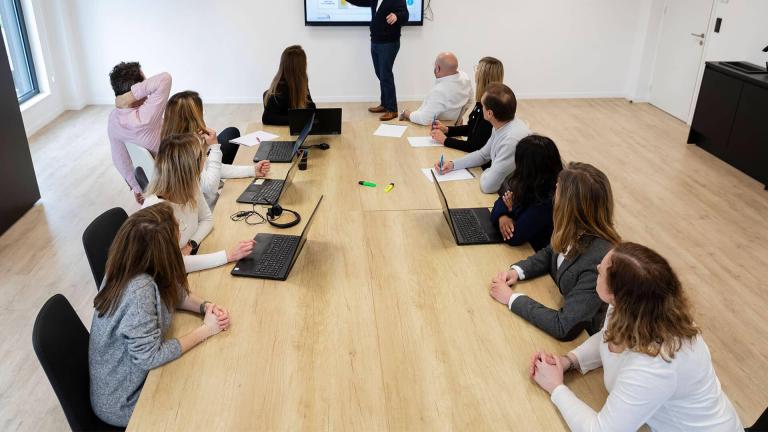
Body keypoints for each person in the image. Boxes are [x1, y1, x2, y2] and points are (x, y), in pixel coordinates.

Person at [530, 242, 743, 431]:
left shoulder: (655, 365)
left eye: (602, 271)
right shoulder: (636, 311)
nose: (596, 268)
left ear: (619, 295)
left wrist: (556, 387)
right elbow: (608, 338)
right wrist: (569, 361)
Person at [89, 203, 231, 427]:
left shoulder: (131, 261)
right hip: (125, 400)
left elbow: (173, 291)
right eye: (178, 232)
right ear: (161, 251)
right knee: (208, 402)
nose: (181, 236)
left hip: (136, 376)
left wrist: (205, 307)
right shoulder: (139, 292)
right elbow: (150, 357)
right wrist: (207, 330)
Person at [489, 162, 621, 341]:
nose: (553, 194)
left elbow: (564, 326)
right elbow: (550, 253)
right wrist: (518, 271)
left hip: (585, 338)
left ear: (569, 205)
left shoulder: (598, 257)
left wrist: (511, 298)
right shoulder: (573, 228)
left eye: (558, 189)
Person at [142, 133, 255, 273]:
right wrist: (228, 255)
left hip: (193, 255)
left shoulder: (189, 184)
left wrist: (191, 244)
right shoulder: (155, 211)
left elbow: (207, 219)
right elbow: (174, 264)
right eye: (203, 156)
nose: (205, 158)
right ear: (190, 168)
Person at [162, 90, 270, 209]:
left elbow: (217, 168)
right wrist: (214, 147)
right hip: (209, 213)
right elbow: (210, 187)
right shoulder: (185, 152)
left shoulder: (177, 145)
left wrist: (252, 170)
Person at [433, 83, 530, 194]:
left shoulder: (510, 141)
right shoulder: (501, 124)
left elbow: (488, 187)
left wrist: (489, 170)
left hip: (517, 196)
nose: (480, 107)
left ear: (489, 113)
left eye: (482, 105)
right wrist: (452, 164)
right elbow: (484, 155)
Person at [108, 62, 172, 204]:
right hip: (177, 175)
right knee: (229, 136)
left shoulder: (113, 119)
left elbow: (120, 160)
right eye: (145, 82)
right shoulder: (145, 117)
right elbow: (165, 79)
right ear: (135, 92)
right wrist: (127, 97)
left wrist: (137, 188)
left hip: (152, 185)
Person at [491, 135, 563, 252]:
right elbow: (501, 201)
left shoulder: (548, 200)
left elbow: (514, 237)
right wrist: (502, 217)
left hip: (532, 252)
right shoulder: (529, 182)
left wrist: (511, 211)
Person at [347, 0, 409, 121]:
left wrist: (397, 16)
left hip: (389, 43)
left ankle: (392, 109)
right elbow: (359, 2)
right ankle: (384, 104)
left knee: (385, 75)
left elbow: (405, 15)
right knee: (380, 73)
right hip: (375, 41)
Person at [431, 56, 504, 154]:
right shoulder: (481, 102)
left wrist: (445, 140)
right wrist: (447, 130)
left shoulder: (489, 108)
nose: (475, 72)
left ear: (483, 75)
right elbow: (472, 129)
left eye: (477, 68)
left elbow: (474, 146)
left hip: (480, 165)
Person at [400, 52, 473, 125]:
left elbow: (425, 119)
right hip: (452, 123)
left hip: (436, 126)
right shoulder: (465, 77)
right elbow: (469, 101)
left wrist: (406, 113)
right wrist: (458, 119)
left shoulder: (440, 91)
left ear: (437, 68)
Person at [262, 45, 316, 126]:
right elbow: (266, 118)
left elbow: (310, 107)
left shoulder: (302, 80)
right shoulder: (280, 89)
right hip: (281, 131)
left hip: (294, 128)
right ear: (300, 67)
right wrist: (296, 119)